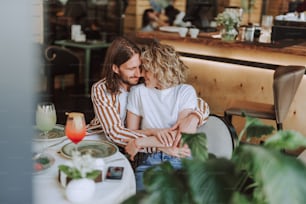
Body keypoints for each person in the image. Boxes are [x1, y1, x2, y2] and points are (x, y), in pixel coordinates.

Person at [89, 36, 209, 172]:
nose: (138, 73)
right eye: (131, 68)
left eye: (140, 67)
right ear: (116, 68)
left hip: (140, 147)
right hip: (105, 140)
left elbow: (197, 102)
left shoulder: (146, 83)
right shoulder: (102, 89)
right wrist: (155, 137)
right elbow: (115, 133)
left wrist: (194, 117)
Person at [125, 42, 200, 191]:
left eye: (145, 70)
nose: (140, 74)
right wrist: (159, 145)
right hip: (149, 160)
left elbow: (181, 136)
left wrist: (142, 142)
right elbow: (130, 133)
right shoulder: (138, 92)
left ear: (160, 69)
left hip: (181, 158)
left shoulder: (184, 91)